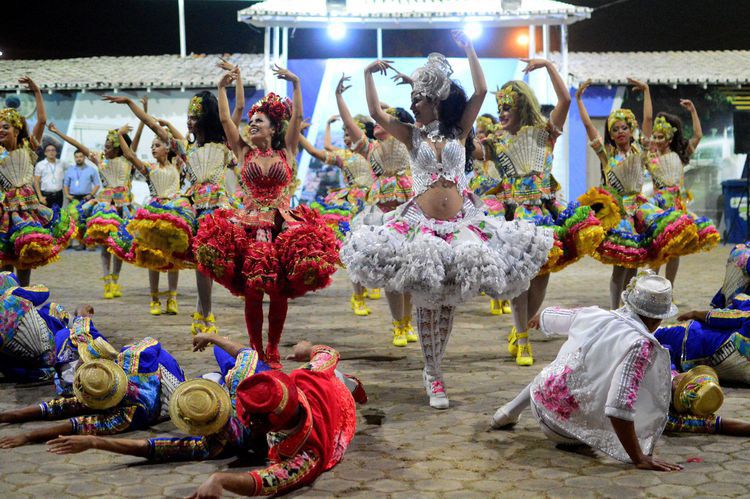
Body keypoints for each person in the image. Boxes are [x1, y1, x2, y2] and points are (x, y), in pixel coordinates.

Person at [341, 31, 553, 409]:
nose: (413, 104)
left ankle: (436, 366)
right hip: (420, 224)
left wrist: (470, 48)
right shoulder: (410, 135)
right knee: (426, 300)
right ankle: (432, 373)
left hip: (462, 225)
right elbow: (375, 113)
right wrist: (368, 73)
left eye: (417, 99)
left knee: (447, 302)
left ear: (435, 100)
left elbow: (482, 90)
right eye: (412, 100)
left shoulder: (459, 130)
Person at [192, 65, 339, 369]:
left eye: (259, 122)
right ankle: (256, 346)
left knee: (279, 291)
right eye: (251, 121)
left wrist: (297, 83)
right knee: (253, 291)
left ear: (273, 128)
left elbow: (297, 118)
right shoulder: (243, 151)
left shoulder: (287, 150)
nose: (252, 125)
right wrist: (221, 89)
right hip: (247, 225)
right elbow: (224, 119)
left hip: (282, 225)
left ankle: (272, 347)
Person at [490, 271, 682, 471]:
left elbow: (557, 316)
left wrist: (541, 318)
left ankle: (508, 411)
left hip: (538, 402)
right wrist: (638, 457)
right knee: (620, 383)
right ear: (656, 321)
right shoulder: (640, 345)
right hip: (566, 432)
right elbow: (618, 407)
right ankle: (511, 412)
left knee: (564, 368)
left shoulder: (596, 314)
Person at [482, 60, 604, 366]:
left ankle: (522, 326)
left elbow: (564, 100)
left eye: (508, 106)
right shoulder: (494, 141)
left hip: (544, 213)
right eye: (499, 107)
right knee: (518, 278)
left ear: (522, 106)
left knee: (541, 278)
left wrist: (549, 65)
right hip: (513, 217)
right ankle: (522, 338)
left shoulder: (545, 133)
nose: (502, 112)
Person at [103, 92, 232, 335]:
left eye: (194, 117)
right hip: (194, 208)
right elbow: (153, 124)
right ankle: (205, 315)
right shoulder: (185, 148)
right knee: (200, 262)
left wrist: (224, 87)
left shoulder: (224, 145)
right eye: (188, 117)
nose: (189, 121)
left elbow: (228, 117)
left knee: (209, 264)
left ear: (206, 119)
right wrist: (132, 105)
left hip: (218, 207)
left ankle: (202, 312)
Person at [46, 333, 272, 462]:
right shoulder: (245, 384)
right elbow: (246, 354)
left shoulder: (211, 446)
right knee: (226, 353)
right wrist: (211, 336)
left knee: (62, 335)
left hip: (210, 385)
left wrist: (95, 442)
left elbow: (150, 447)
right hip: (239, 386)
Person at [576, 79, 697, 309]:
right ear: (610, 134)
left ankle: (629, 309)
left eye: (624, 127)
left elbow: (649, 120)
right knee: (618, 267)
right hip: (618, 215)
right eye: (615, 129)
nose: (620, 132)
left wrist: (647, 91)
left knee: (633, 265)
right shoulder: (606, 156)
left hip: (639, 212)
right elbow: (589, 127)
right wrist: (579, 100)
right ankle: (615, 310)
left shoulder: (640, 150)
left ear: (631, 129)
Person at [186, 344, 360, 497]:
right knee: (224, 352)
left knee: (339, 380)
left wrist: (221, 479)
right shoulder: (305, 375)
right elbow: (328, 352)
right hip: (328, 389)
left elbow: (267, 480)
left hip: (341, 407)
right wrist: (306, 349)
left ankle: (348, 384)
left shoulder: (308, 454)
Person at [0, 336, 184, 448]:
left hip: (168, 378)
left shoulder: (131, 414)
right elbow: (60, 407)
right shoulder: (124, 361)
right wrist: (9, 415)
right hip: (145, 367)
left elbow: (79, 425)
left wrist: (27, 436)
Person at [47, 100, 145, 299]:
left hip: (124, 206)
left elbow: (135, 139)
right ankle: (106, 280)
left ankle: (115, 280)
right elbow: (79, 146)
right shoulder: (101, 159)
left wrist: (144, 113)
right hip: (105, 207)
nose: (105, 148)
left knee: (119, 245)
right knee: (104, 245)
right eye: (105, 146)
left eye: (109, 146)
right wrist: (58, 133)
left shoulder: (127, 159)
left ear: (117, 147)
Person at [106, 122, 192, 316]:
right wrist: (120, 135)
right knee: (151, 255)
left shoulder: (178, 165)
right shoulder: (149, 169)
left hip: (173, 213)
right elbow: (129, 155)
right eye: (152, 146)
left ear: (167, 148)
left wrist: (169, 125)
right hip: (153, 214)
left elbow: (184, 143)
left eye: (157, 145)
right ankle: (154, 298)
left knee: (173, 256)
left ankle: (172, 298)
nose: (153, 148)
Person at [0, 77, 75, 284]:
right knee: (4, 261)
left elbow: (41, 121)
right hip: (4, 210)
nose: (1, 130)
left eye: (5, 127)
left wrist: (37, 91)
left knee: (25, 259)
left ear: (16, 129)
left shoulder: (28, 148)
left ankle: (24, 300)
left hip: (28, 209)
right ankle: (6, 304)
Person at [646, 101, 720, 286]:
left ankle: (668, 288)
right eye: (654, 136)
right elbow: (647, 121)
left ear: (669, 138)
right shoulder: (651, 156)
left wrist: (693, 111)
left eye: (660, 136)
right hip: (657, 209)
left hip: (677, 208)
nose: (655, 139)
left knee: (674, 250)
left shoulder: (680, 154)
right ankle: (652, 288)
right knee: (656, 249)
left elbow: (698, 135)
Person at [655, 242, 750, 384]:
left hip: (696, 341)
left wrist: (696, 313)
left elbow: (729, 317)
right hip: (723, 359)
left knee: (657, 338)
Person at [63, 149, 100, 249]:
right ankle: (79, 243)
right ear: (74, 158)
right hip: (74, 199)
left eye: (81, 156)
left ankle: (89, 243)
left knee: (87, 221)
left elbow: (97, 184)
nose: (79, 159)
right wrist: (67, 195)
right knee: (75, 222)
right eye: (77, 157)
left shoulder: (91, 170)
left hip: (87, 198)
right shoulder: (70, 170)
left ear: (84, 158)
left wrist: (91, 194)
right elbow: (66, 184)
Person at [33, 143, 66, 209]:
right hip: (46, 196)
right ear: (45, 153)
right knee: (47, 217)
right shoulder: (40, 165)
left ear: (56, 152)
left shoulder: (62, 163)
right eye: (48, 150)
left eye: (53, 150)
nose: (51, 152)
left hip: (59, 195)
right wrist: (40, 197)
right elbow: (36, 182)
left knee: (58, 216)